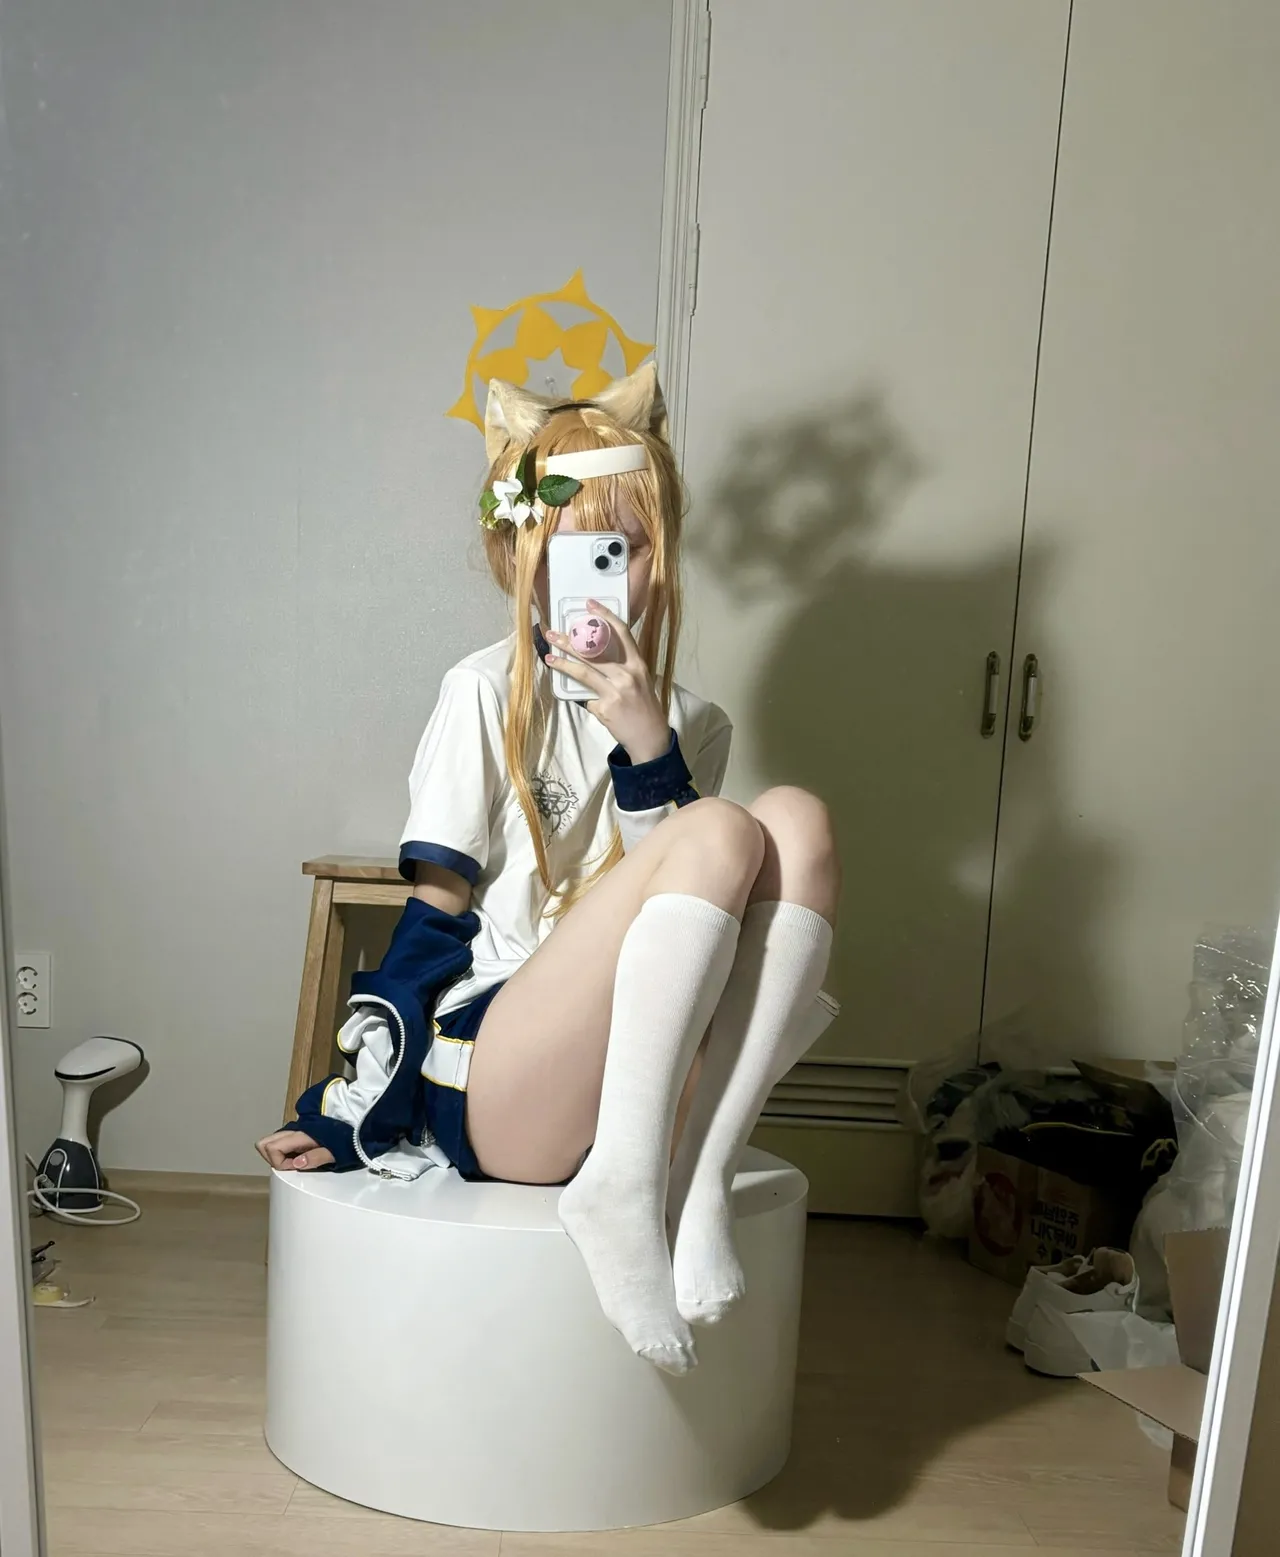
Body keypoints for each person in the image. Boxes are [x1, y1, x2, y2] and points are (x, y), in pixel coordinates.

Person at [256, 363, 841, 1374]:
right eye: (570, 550)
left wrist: (647, 743)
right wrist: (348, 1108)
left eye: (625, 548)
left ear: (661, 558)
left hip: (641, 1081)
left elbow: (691, 930)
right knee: (719, 831)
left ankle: (692, 1180)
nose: (602, 577)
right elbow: (433, 910)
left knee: (795, 819)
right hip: (505, 1079)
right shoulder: (483, 692)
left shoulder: (695, 723)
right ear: (519, 556)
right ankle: (620, 1192)